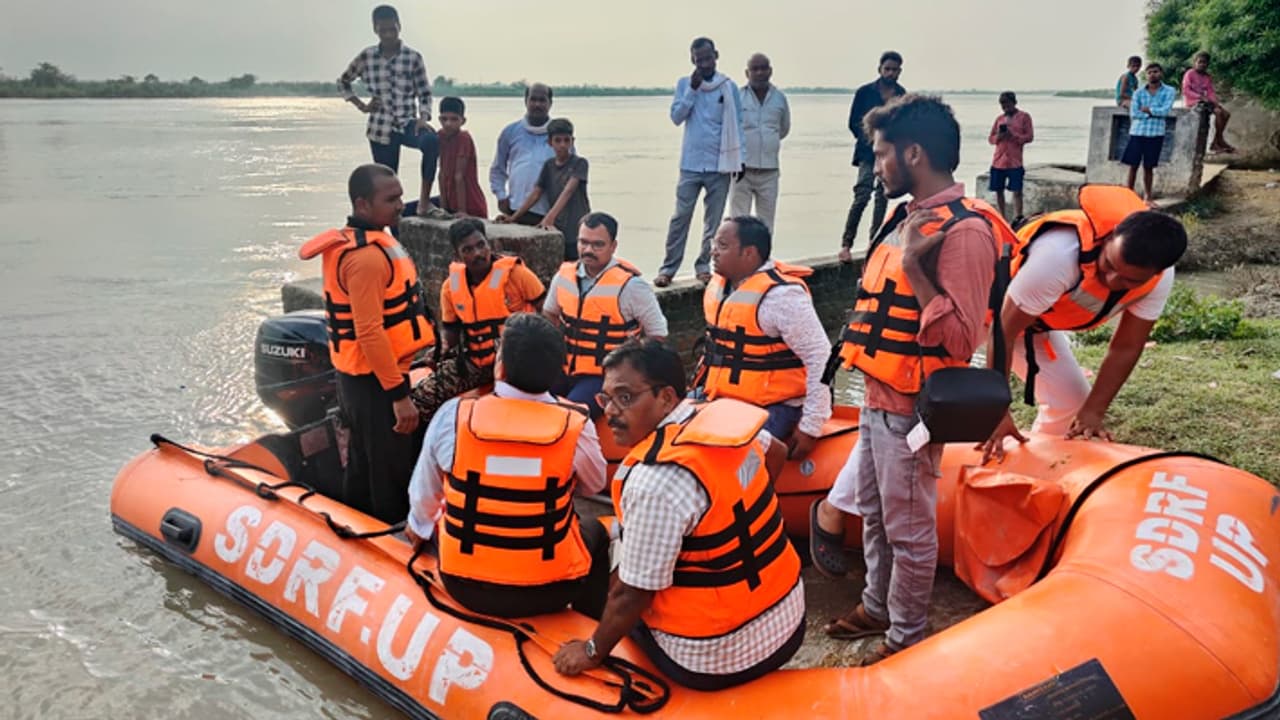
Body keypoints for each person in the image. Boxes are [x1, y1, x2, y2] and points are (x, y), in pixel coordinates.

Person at [811, 95, 1001, 664]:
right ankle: (876, 605)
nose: (876, 168)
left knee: (910, 529)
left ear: (913, 153)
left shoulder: (966, 233)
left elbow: (961, 340)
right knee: (873, 509)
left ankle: (905, 639)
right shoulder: (906, 216)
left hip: (913, 407)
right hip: (876, 393)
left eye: (881, 155)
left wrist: (918, 269)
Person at [552, 340, 805, 690]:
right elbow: (775, 450)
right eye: (605, 399)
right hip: (789, 620)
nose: (610, 412)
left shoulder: (655, 481)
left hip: (712, 656)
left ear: (667, 397)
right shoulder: (720, 423)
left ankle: (590, 636)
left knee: (601, 551)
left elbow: (631, 594)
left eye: (625, 398)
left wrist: (592, 651)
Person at [405, 313, 610, 619]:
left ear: (500, 365)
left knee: (441, 513)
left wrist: (417, 528)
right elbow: (593, 484)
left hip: (463, 584)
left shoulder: (454, 415)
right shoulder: (576, 424)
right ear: (557, 372)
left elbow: (425, 496)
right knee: (596, 531)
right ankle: (589, 624)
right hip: (552, 590)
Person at [980, 186, 1187, 462]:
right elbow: (1003, 330)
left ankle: (1038, 468)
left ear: (1156, 273)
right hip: (977, 309)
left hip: (1032, 323)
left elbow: (1126, 346)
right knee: (949, 393)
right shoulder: (1057, 257)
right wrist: (996, 410)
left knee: (1071, 404)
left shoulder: (1159, 280)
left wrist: (1094, 411)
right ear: (1109, 237)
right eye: (1109, 264)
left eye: (1129, 280)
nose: (1113, 281)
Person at [298, 164, 436, 523]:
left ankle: (353, 521)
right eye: (391, 199)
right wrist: (399, 396)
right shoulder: (367, 258)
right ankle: (390, 537)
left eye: (401, 196)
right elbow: (369, 332)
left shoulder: (366, 243)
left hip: (360, 377)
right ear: (362, 205)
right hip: (375, 380)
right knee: (389, 470)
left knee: (362, 461)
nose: (400, 205)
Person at [700, 216, 832, 456]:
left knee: (724, 456)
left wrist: (811, 425)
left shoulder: (781, 297)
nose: (713, 253)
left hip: (774, 406)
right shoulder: (721, 287)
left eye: (722, 246)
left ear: (749, 253)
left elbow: (820, 356)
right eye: (714, 245)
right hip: (721, 398)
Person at [409, 218, 546, 421]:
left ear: (488, 243)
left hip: (515, 361)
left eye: (481, 245)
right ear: (458, 255)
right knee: (422, 397)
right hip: (474, 362)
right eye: (468, 250)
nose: (478, 254)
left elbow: (547, 314)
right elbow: (451, 332)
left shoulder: (517, 275)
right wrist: (440, 348)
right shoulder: (450, 287)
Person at [544, 212, 668, 418]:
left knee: (571, 416)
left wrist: (629, 368)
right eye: (583, 242)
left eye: (598, 245)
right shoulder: (563, 275)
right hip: (563, 368)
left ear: (613, 246)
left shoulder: (632, 286)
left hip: (604, 376)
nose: (588, 250)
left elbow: (657, 334)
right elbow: (549, 314)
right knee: (528, 400)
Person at [655, 37, 744, 288]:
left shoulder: (728, 86)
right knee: (680, 217)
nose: (704, 64)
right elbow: (676, 117)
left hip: (721, 164)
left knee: (713, 222)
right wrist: (692, 91)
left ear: (716, 55)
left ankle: (704, 266)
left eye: (707, 58)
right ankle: (668, 268)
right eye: (698, 60)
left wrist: (741, 159)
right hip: (691, 164)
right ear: (692, 60)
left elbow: (738, 124)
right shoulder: (685, 84)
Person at [338, 5, 442, 217]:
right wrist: (361, 105)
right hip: (380, 128)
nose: (388, 35)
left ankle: (424, 202)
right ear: (375, 29)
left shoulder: (412, 57)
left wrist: (423, 117)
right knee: (385, 181)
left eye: (392, 29)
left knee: (431, 142)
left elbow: (424, 92)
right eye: (383, 30)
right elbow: (343, 82)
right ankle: (390, 224)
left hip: (407, 123)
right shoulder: (367, 57)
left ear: (399, 26)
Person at [839, 51, 906, 263]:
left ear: (899, 72)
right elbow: (853, 122)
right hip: (867, 152)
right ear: (879, 69)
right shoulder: (865, 92)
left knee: (883, 197)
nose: (890, 73)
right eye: (887, 69)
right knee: (862, 195)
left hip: (890, 153)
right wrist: (869, 141)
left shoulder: (902, 96)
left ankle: (874, 242)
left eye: (894, 70)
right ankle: (846, 244)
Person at [497, 118, 591, 261]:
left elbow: (568, 191)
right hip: (559, 227)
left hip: (577, 226)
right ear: (550, 143)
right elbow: (536, 193)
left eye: (567, 140)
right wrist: (513, 217)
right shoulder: (549, 166)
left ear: (572, 141)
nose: (562, 145)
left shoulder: (579, 163)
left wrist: (548, 218)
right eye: (558, 141)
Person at [730, 53, 791, 232]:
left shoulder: (780, 98)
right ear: (746, 73)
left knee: (766, 225)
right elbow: (731, 130)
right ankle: (738, 260)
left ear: (770, 71)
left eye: (763, 68)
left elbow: (783, 129)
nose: (759, 73)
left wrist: (766, 142)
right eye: (754, 69)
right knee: (738, 223)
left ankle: (763, 259)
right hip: (741, 170)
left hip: (769, 172)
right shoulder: (738, 97)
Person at [491, 84, 557, 226]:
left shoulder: (559, 135)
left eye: (542, 100)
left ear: (550, 103)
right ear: (525, 101)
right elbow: (497, 169)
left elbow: (568, 173)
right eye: (533, 99)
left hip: (549, 214)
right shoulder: (510, 132)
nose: (537, 104)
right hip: (516, 210)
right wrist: (501, 196)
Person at [1122, 63, 1176, 203]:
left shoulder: (1169, 91)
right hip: (1137, 132)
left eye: (1155, 71)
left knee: (1149, 167)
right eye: (1149, 72)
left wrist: (1148, 110)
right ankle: (1129, 197)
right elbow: (1134, 113)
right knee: (1132, 166)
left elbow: (1166, 111)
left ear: (1161, 73)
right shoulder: (1138, 92)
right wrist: (1152, 113)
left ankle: (1148, 197)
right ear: (1146, 75)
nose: (1152, 74)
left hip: (1155, 133)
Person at [435, 96, 489, 217]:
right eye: (444, 119)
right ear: (439, 119)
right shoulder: (440, 136)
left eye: (454, 119)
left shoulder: (463, 138)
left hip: (469, 202)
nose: (448, 123)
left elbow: (459, 176)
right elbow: (442, 173)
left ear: (463, 121)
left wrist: (462, 211)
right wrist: (444, 208)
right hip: (450, 202)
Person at [987, 91, 1034, 223]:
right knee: (998, 190)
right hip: (998, 161)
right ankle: (1002, 217)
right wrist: (999, 137)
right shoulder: (999, 119)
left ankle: (1018, 217)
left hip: (1015, 162)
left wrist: (1013, 135)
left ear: (1014, 102)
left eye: (1007, 104)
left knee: (1017, 191)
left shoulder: (1025, 117)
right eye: (1002, 105)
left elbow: (1029, 137)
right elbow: (990, 139)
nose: (1004, 107)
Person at [1182, 52, 1236, 154]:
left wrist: (1215, 102)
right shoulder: (1190, 73)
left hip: (1206, 102)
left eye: (1205, 63)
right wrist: (1200, 97)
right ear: (1195, 63)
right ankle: (1218, 141)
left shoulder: (1207, 77)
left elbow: (1210, 92)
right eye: (1200, 62)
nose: (1202, 64)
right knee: (1218, 113)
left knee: (1226, 114)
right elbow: (1185, 90)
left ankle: (1217, 140)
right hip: (1194, 102)